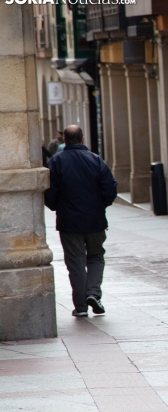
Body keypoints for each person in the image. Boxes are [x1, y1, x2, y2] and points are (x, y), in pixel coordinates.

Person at [44, 125, 117, 317]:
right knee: (96, 256)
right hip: (95, 220)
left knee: (75, 262)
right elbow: (110, 188)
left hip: (69, 222)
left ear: (65, 140)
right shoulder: (95, 160)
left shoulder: (56, 161)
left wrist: (56, 207)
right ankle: (93, 293)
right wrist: (100, 206)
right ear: (83, 139)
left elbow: (49, 191)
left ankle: (81, 306)